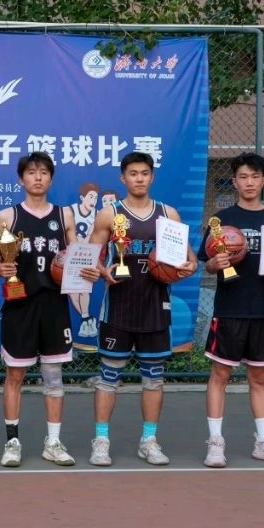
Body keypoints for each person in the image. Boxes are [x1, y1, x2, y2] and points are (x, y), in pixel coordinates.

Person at [88, 151, 197, 466]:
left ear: (152, 177)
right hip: (118, 307)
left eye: (144, 173)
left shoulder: (168, 214)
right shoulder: (109, 215)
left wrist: (188, 267)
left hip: (155, 306)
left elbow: (188, 258)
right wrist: (102, 271)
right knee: (108, 376)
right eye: (133, 173)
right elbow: (91, 257)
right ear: (123, 178)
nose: (139, 178)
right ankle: (101, 441)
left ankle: (149, 440)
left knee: (153, 379)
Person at [0, 152, 100, 468]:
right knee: (15, 374)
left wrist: (88, 270)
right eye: (31, 172)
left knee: (53, 375)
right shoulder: (7, 217)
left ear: (51, 179)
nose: (37, 177)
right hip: (20, 305)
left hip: (53, 305)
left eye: (43, 172)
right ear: (21, 179)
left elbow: (76, 255)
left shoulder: (64, 216)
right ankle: (12, 441)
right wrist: (1, 268)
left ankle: (53, 442)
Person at [197, 153, 264, 468]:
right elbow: (207, 264)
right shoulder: (221, 220)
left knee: (259, 377)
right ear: (234, 181)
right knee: (220, 374)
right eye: (243, 177)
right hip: (231, 307)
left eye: (255, 176)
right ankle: (216, 443)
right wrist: (215, 264)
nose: (249, 182)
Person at [68, 182, 100, 338]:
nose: (93, 200)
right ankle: (88, 319)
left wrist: (82, 245)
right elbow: (67, 232)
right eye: (90, 196)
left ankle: (86, 320)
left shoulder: (98, 214)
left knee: (84, 288)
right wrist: (75, 243)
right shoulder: (70, 211)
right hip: (70, 255)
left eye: (96, 197)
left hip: (87, 254)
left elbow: (91, 236)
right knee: (72, 291)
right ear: (82, 197)